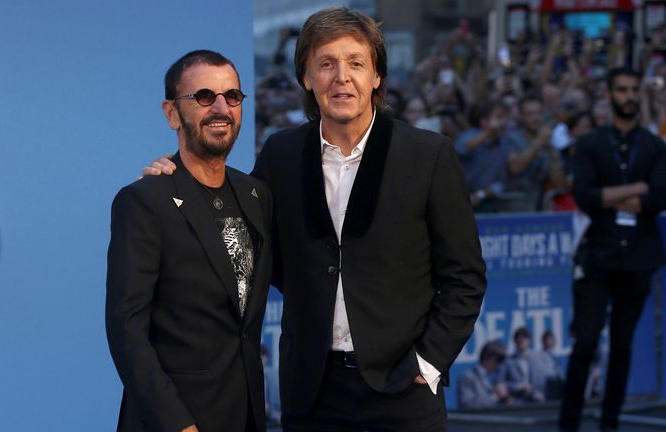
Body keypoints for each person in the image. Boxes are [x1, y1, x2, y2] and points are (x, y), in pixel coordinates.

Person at [145, 8, 486, 432]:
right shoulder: (281, 154)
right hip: (311, 390)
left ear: (376, 76)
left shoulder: (428, 155)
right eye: (326, 64)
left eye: (356, 63)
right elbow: (235, 233)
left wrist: (427, 364)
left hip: (404, 391)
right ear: (307, 78)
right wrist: (178, 180)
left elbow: (465, 277)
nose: (341, 76)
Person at [106, 50, 273, 432]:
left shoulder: (257, 196)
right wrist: (177, 422)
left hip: (245, 414)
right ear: (171, 113)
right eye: (203, 97)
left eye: (232, 96)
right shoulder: (145, 201)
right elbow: (126, 327)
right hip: (176, 420)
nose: (221, 108)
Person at [559, 66, 666, 432]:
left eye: (634, 90)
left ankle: (610, 423)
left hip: (638, 257)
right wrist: (636, 189)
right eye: (622, 90)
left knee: (622, 347)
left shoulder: (653, 147)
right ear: (609, 94)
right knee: (585, 342)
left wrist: (614, 196)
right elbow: (587, 197)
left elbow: (658, 198)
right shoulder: (591, 144)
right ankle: (568, 423)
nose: (629, 96)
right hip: (598, 254)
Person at [503, 95, 565, 212]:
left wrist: (550, 151)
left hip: (539, 207)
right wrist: (538, 142)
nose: (535, 118)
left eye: (538, 113)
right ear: (521, 117)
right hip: (514, 208)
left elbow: (559, 183)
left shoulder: (548, 142)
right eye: (530, 114)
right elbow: (515, 168)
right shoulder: (511, 139)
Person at [455, 100, 511, 212]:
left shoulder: (504, 145)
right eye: (499, 117)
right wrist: (490, 132)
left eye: (505, 118)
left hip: (485, 201)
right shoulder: (469, 135)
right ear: (484, 121)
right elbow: (461, 149)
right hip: (458, 198)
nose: (504, 122)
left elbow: (500, 182)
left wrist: (480, 195)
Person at [457, 341, 512, 409]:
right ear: (488, 357)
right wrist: (495, 397)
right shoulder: (467, 378)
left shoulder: (496, 379)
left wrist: (505, 398)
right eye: (499, 360)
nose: (500, 365)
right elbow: (467, 405)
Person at [497, 327, 544, 403]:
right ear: (515, 342)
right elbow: (500, 383)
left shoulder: (537, 360)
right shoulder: (508, 361)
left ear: (529, 340)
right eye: (519, 341)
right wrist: (517, 387)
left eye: (524, 339)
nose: (521, 342)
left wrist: (536, 392)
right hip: (516, 401)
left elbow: (541, 382)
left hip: (536, 400)